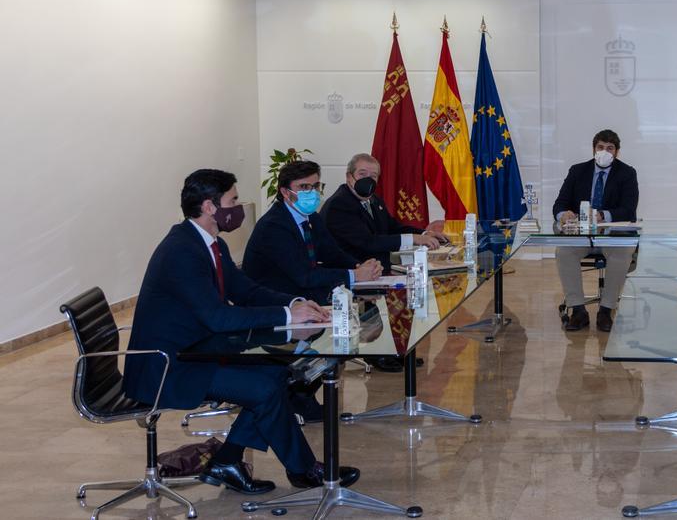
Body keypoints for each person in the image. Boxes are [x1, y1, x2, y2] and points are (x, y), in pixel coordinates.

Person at [123, 169, 359, 494]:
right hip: (167, 366)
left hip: (199, 350)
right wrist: (289, 314)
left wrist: (298, 303)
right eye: (232, 200)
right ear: (209, 206)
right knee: (263, 389)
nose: (238, 207)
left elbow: (246, 290)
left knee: (279, 374)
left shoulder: (210, 243)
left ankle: (230, 460)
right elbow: (219, 318)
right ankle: (303, 470)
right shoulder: (181, 251)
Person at [243, 160, 382, 305]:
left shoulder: (312, 218)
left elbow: (333, 255)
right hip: (274, 304)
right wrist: (355, 275)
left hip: (306, 297)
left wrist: (362, 267)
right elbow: (304, 276)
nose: (312, 192)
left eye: (315, 186)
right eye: (304, 187)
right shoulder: (273, 226)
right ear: (285, 192)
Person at [552, 129, 639, 332]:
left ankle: (606, 310)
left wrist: (603, 215)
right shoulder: (577, 171)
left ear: (616, 152)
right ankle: (578, 310)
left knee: (623, 252)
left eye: (610, 148)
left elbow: (629, 210)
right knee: (563, 252)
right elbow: (559, 204)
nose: (604, 151)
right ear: (593, 149)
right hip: (581, 236)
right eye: (600, 147)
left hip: (612, 237)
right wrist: (563, 214)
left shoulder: (627, 173)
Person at [321, 153, 448, 271]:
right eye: (362, 174)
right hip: (352, 275)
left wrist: (426, 234)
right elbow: (368, 242)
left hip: (379, 269)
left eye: (373, 176)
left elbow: (393, 227)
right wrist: (414, 239)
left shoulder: (374, 199)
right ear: (349, 176)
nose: (368, 180)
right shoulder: (339, 204)